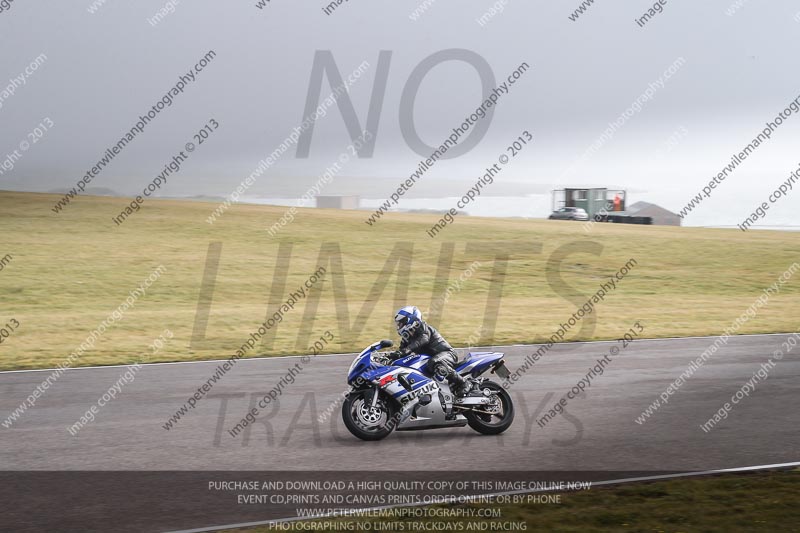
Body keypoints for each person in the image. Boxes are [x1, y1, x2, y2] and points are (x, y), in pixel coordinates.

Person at [388, 305, 469, 396]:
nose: (399, 325)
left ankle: (463, 383)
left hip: (447, 354)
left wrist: (406, 350)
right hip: (430, 359)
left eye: (401, 322)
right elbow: (401, 352)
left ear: (411, 320)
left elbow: (422, 341)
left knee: (434, 362)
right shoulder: (407, 337)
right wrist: (390, 358)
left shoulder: (423, 328)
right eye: (398, 323)